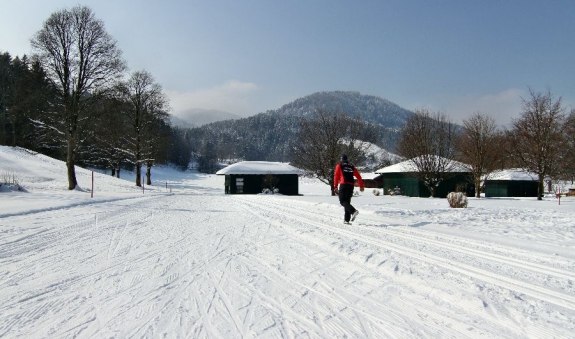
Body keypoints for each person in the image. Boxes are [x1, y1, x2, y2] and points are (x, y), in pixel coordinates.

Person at [333, 154, 365, 224]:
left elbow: (336, 176)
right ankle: (346, 220)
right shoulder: (352, 167)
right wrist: (361, 186)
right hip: (351, 185)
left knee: (342, 201)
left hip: (343, 184)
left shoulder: (339, 165)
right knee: (347, 202)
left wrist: (335, 186)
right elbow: (359, 176)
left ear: (341, 159)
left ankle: (353, 211)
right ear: (347, 160)